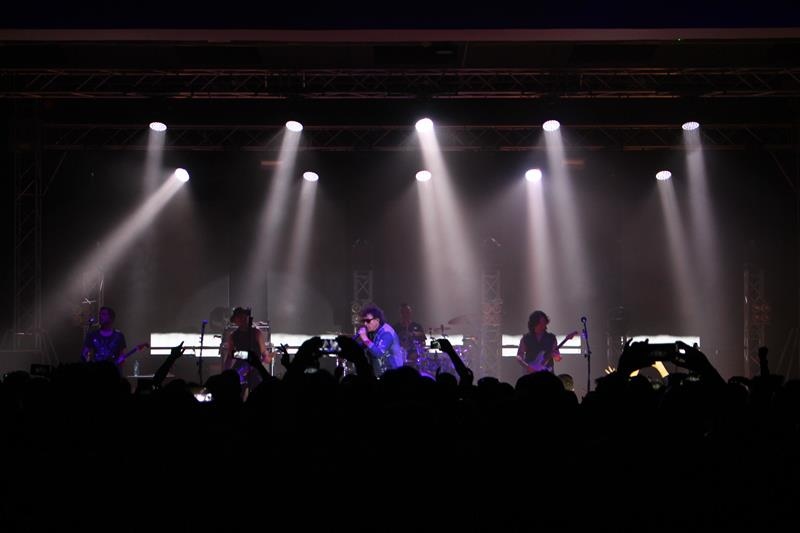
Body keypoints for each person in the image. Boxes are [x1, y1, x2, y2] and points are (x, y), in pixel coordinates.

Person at [220, 307, 273, 397]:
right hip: (239, 370)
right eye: (239, 317)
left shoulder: (256, 333)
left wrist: (268, 357)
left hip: (254, 369)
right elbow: (230, 356)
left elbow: (264, 354)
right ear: (235, 320)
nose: (242, 319)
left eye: (243, 317)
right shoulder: (233, 336)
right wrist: (225, 374)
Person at [355, 304, 405, 377]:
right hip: (383, 373)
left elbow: (378, 353)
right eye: (364, 321)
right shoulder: (375, 332)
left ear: (377, 320)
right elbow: (367, 347)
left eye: (368, 321)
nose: (365, 324)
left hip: (394, 374)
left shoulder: (387, 333)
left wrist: (365, 339)